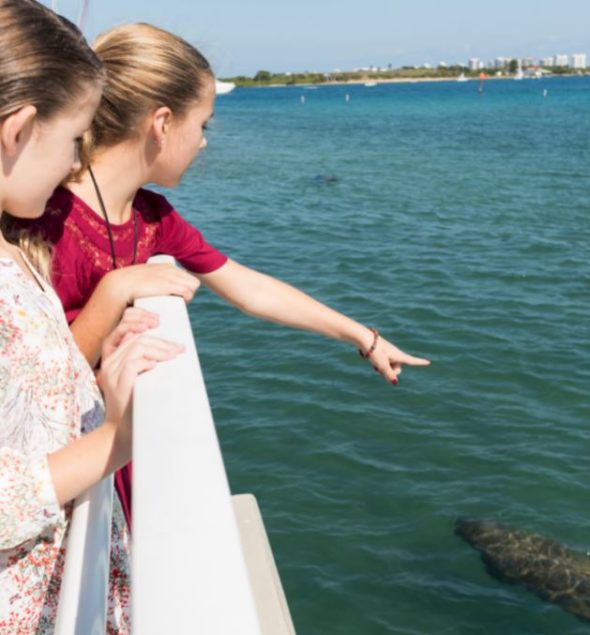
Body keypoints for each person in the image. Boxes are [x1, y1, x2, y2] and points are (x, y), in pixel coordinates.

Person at [14, 23, 430, 530]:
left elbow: (247, 287)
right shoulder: (41, 214)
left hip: (100, 452)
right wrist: (115, 291)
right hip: (53, 471)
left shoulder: (152, 216)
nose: (205, 143)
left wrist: (362, 336)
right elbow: (40, 383)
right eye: (204, 124)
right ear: (162, 124)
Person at [0, 3, 186, 632]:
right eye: (75, 136)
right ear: (18, 131)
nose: (76, 162)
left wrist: (99, 383)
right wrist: (117, 437)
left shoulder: (13, 246)